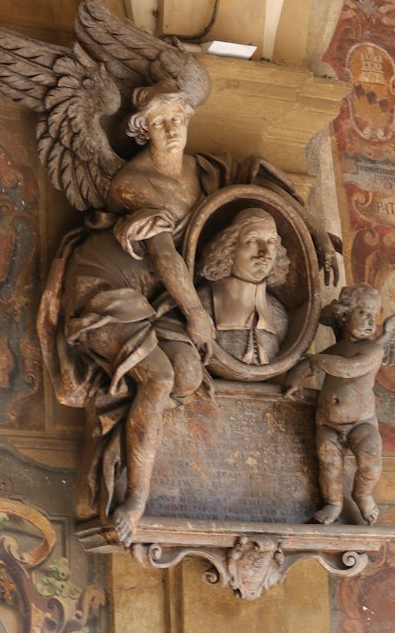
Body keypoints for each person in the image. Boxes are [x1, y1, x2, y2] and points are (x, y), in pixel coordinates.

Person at [42, 84, 222, 547]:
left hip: (153, 297)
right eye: (160, 123)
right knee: (159, 378)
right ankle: (136, 498)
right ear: (144, 131)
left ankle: (139, 435)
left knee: (186, 376)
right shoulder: (133, 184)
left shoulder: (202, 172)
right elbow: (165, 257)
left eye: (178, 120)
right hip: (104, 286)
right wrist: (197, 314)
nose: (172, 130)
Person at [283, 284, 389, 526]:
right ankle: (333, 504)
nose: (371, 321)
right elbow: (305, 367)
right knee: (329, 464)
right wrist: (294, 380)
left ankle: (362, 494)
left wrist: (317, 361)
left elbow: (350, 368)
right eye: (363, 313)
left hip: (360, 423)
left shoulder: (373, 349)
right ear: (344, 314)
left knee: (371, 462)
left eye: (374, 316)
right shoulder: (335, 349)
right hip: (328, 423)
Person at [197, 207, 290, 365]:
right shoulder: (202, 303)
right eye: (254, 240)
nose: (265, 253)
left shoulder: (278, 314)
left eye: (271, 242)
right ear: (230, 247)